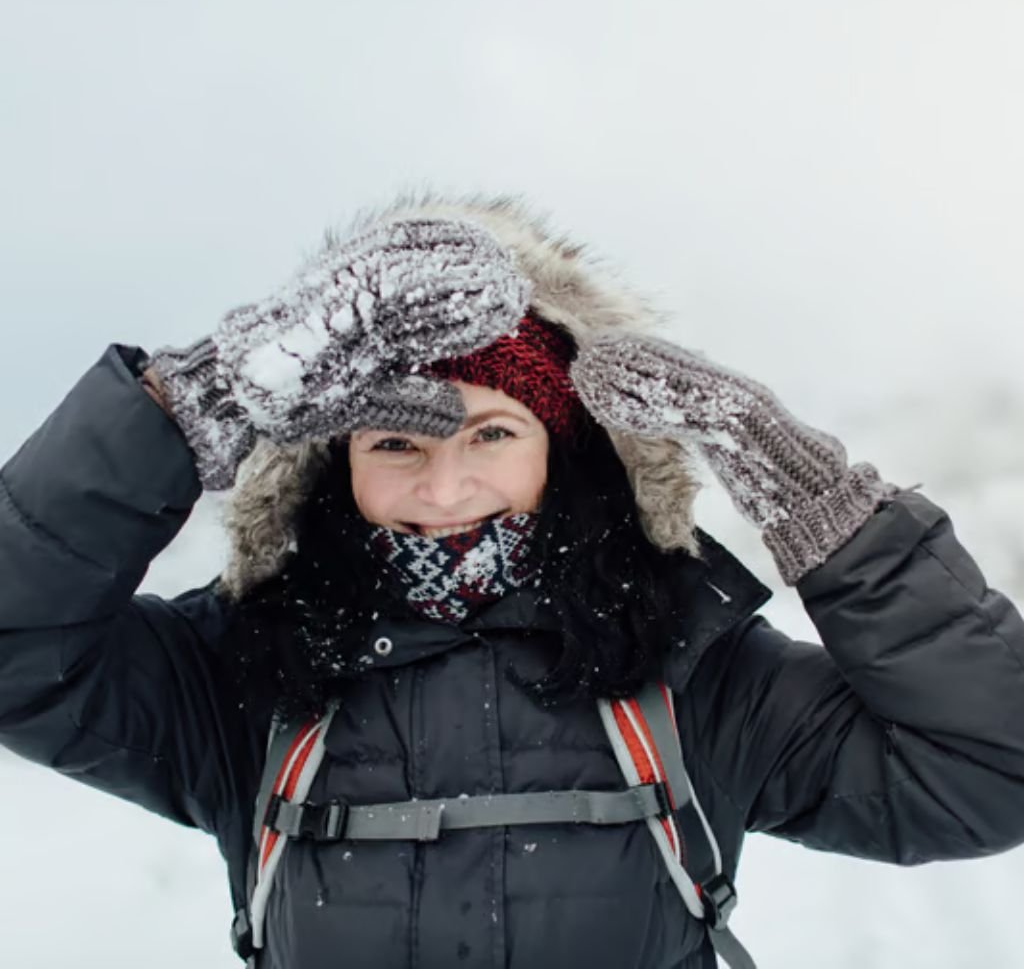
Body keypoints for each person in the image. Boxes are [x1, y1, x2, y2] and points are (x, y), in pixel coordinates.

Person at [2, 194, 1023, 969]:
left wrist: (823, 508)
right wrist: (203, 399)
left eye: (494, 431)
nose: (444, 486)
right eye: (397, 438)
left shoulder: (693, 669)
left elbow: (988, 772)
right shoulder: (245, 670)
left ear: (561, 449)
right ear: (331, 459)